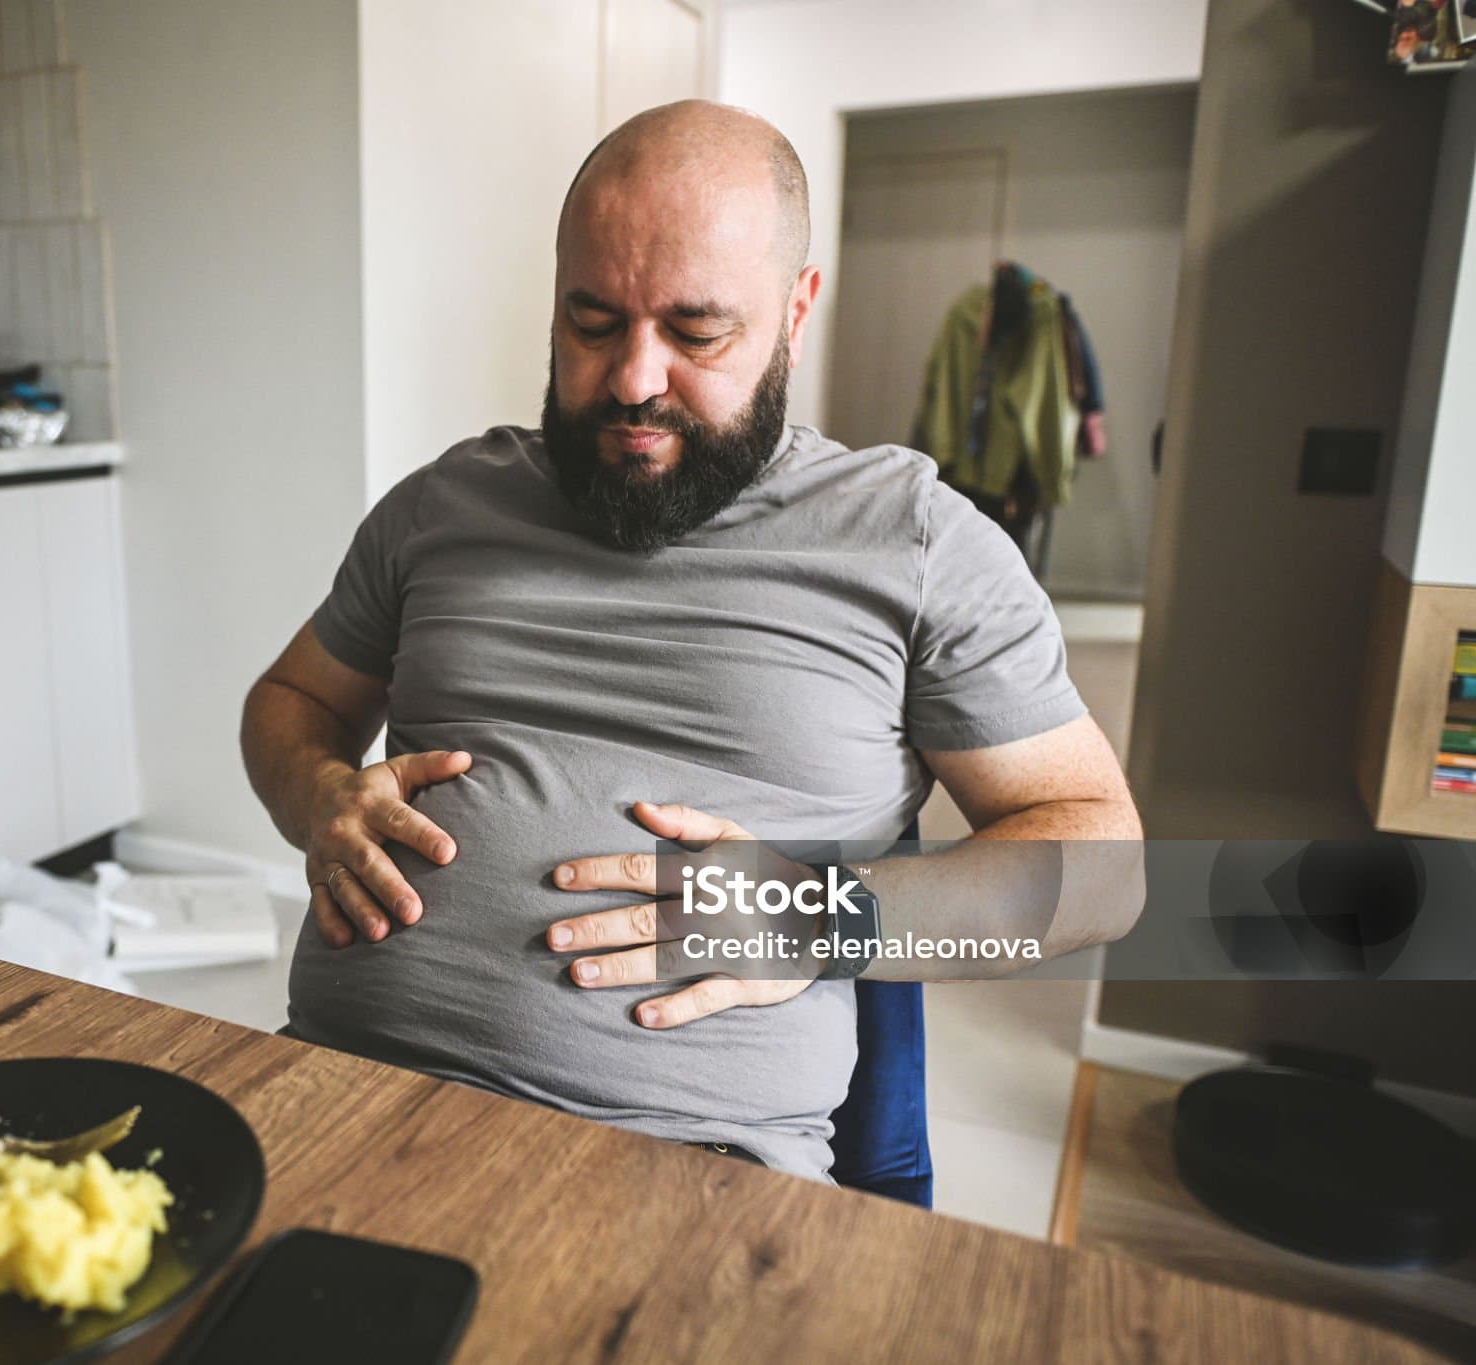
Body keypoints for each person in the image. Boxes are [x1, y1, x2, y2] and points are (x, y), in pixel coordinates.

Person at [240, 100, 1142, 1184]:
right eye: (590, 322)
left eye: (695, 331)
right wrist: (317, 795)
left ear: (795, 310)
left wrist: (822, 918)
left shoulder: (912, 542)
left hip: (678, 1171)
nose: (631, 378)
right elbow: (292, 699)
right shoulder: (444, 503)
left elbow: (1104, 874)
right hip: (332, 1092)